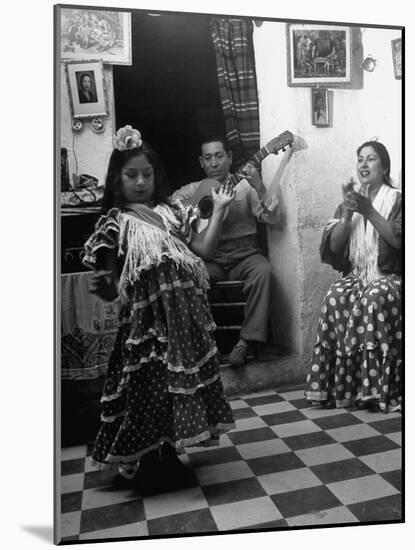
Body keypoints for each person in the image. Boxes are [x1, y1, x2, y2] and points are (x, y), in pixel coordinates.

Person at [83, 125, 235, 495]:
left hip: (182, 321)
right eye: (131, 175)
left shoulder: (171, 213)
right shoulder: (115, 222)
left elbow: (204, 251)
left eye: (146, 175)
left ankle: (168, 454)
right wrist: (106, 285)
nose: (140, 182)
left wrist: (220, 212)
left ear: (156, 176)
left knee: (173, 389)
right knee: (147, 387)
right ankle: (147, 461)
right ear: (117, 180)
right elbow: (111, 279)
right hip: (145, 325)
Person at [304, 141, 402, 413]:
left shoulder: (397, 199)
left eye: (371, 159)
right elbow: (335, 247)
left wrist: (369, 211)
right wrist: (347, 217)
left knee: (373, 296)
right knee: (335, 295)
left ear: (384, 168)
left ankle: (375, 391)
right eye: (360, 159)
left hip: (391, 276)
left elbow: (397, 241)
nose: (363, 164)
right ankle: (343, 388)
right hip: (360, 275)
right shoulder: (351, 201)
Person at [172, 136, 280, 366]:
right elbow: (171, 208)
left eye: (219, 156)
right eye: (208, 158)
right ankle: (201, 344)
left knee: (263, 271)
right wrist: (192, 211)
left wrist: (259, 186)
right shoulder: (193, 190)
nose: (214, 163)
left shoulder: (247, 187)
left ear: (230, 158)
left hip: (245, 255)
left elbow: (274, 220)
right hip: (211, 259)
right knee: (188, 277)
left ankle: (247, 341)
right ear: (201, 162)